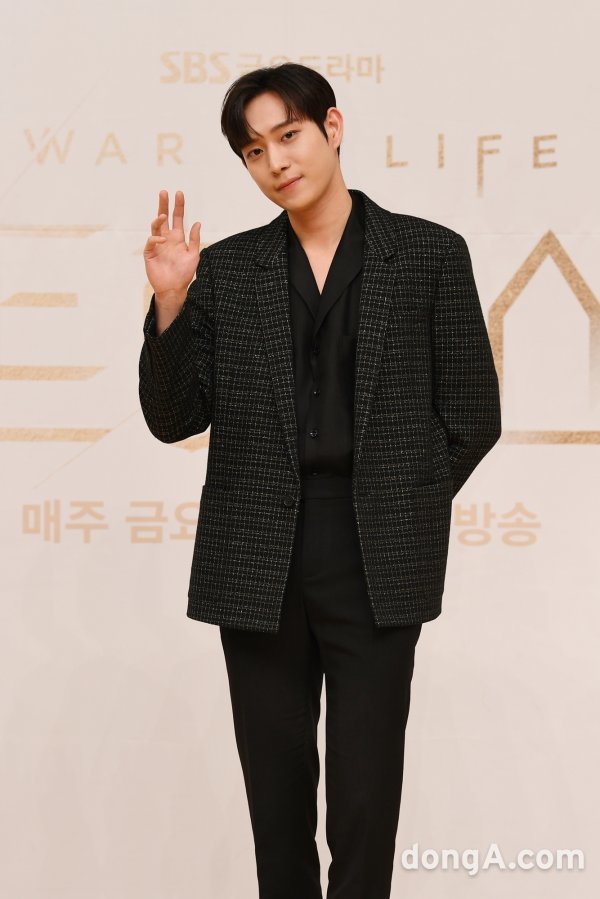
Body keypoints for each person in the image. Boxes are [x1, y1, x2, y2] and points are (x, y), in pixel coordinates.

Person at [139, 62, 501, 899]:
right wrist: (170, 303)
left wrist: (402, 504)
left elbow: (473, 415)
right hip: (254, 550)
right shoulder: (227, 270)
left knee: (366, 800)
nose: (276, 161)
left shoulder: (429, 254)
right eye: (253, 150)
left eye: (289, 135)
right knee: (276, 803)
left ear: (332, 128)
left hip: (376, 553)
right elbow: (173, 416)